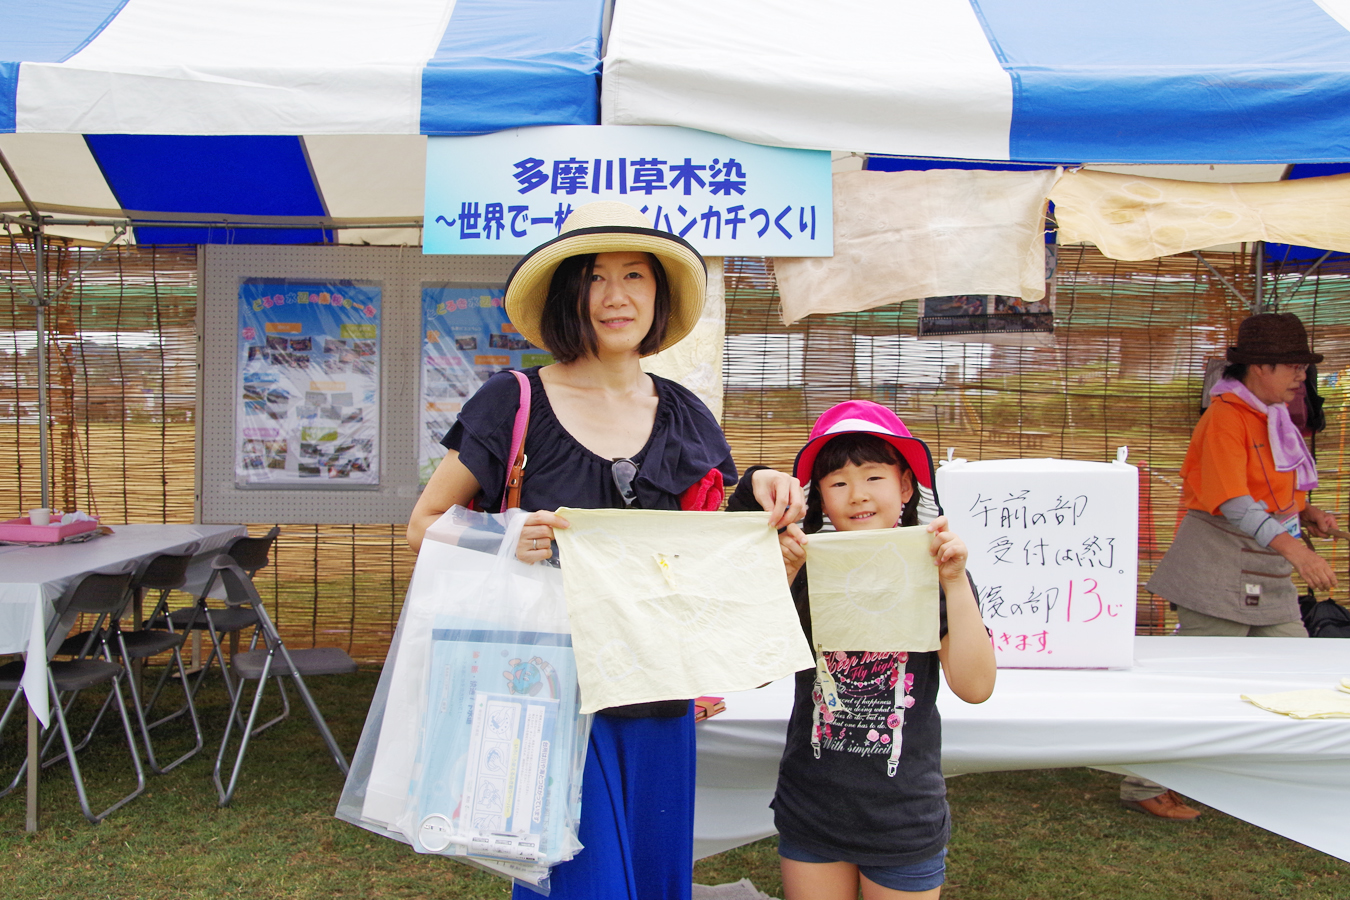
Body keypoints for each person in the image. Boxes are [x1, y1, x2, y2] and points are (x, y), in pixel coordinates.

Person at [407, 201, 802, 900]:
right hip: (547, 693)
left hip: (658, 697)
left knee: (653, 882)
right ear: (570, 294)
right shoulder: (514, 400)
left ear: (659, 294)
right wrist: (504, 536)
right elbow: (425, 521)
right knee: (576, 885)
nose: (616, 296)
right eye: (594, 278)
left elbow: (706, 543)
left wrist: (763, 490)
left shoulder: (685, 413)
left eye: (634, 276)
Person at [728, 400, 996, 900]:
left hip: (902, 816)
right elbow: (754, 670)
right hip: (811, 811)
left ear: (906, 487)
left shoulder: (937, 571)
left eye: (874, 477)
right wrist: (782, 578)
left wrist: (956, 584)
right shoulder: (803, 567)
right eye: (837, 483)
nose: (857, 495)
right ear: (819, 499)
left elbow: (976, 686)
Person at [1131, 312, 1339, 820]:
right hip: (1216, 567)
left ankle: (1285, 774)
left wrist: (1307, 514)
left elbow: (1273, 488)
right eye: (1293, 367)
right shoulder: (1224, 418)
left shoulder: (1273, 416)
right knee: (1193, 681)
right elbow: (1234, 503)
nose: (1301, 377)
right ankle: (1142, 784)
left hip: (1264, 568)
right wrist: (1297, 551)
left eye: (1302, 368)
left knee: (1298, 668)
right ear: (1259, 367)